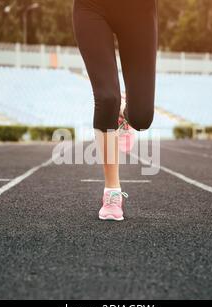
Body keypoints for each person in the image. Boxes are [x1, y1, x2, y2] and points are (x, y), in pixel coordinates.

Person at [73, 0, 158, 221]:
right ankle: (112, 192)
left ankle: (124, 114)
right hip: (92, 7)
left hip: (139, 10)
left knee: (142, 117)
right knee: (107, 98)